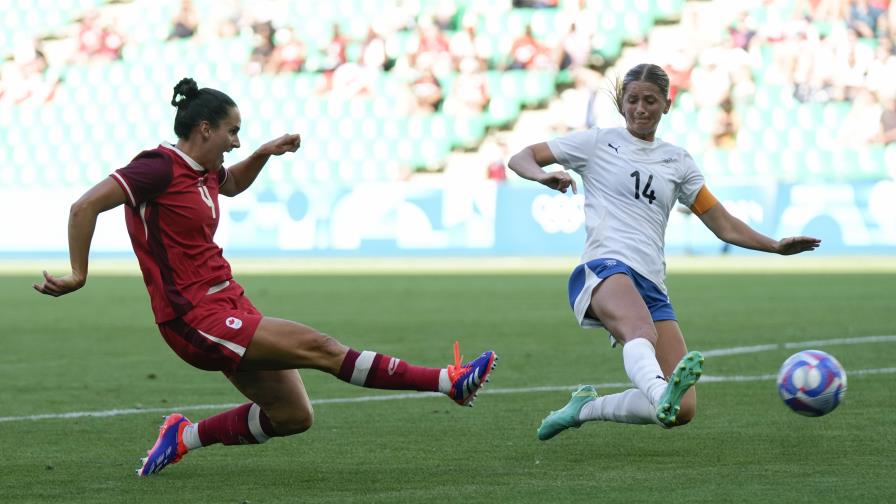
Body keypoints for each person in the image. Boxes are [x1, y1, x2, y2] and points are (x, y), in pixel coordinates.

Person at [33, 78, 498, 475]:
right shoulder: (157, 167)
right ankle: (448, 381)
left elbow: (230, 183)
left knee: (294, 415)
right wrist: (79, 273)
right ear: (205, 128)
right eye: (233, 132)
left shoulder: (205, 171)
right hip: (193, 318)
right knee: (322, 348)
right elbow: (85, 206)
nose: (235, 141)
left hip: (229, 302)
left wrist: (262, 153)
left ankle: (184, 437)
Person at [507, 63, 820, 439]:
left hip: (651, 282)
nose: (641, 108)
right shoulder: (596, 142)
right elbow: (521, 157)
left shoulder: (679, 162)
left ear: (666, 105)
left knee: (682, 410)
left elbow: (721, 222)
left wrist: (774, 246)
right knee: (641, 332)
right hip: (603, 268)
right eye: (633, 100)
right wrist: (543, 175)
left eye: (650, 101)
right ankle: (659, 391)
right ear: (622, 104)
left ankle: (585, 408)